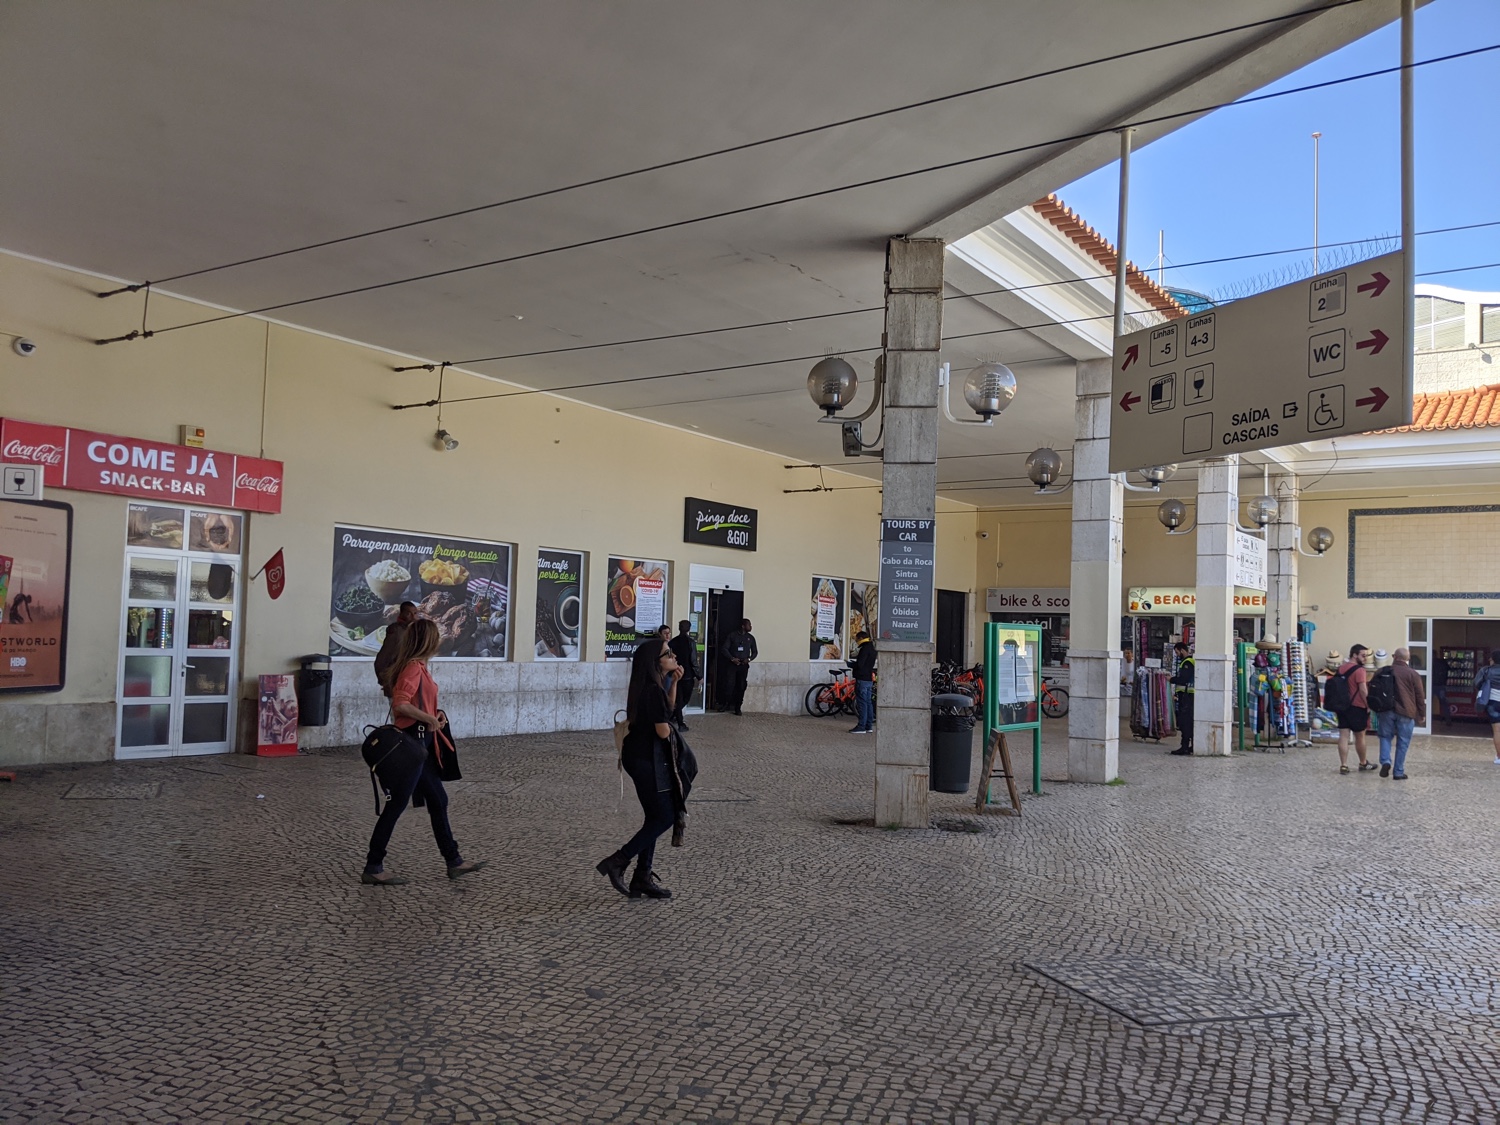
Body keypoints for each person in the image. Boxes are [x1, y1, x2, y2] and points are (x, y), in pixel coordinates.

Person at [361, 618, 486, 886]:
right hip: (412, 746)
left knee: (438, 800)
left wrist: (433, 714)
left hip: (422, 746)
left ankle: (454, 861)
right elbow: (401, 705)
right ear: (428, 640)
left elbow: (414, 704)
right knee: (396, 806)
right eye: (437, 635)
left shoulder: (420, 668)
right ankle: (373, 866)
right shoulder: (413, 669)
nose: (440, 639)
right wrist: (428, 719)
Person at [596, 639, 682, 900]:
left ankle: (642, 877)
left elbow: (668, 709)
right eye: (668, 653)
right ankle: (618, 861)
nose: (673, 655)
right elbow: (663, 728)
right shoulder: (652, 690)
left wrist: (674, 682)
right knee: (665, 816)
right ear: (655, 662)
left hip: (639, 756)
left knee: (654, 817)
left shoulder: (651, 686)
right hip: (646, 759)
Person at [1376, 647, 1425, 780]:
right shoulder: (1412, 674)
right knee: (1403, 742)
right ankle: (1398, 772)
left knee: (1385, 737)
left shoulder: (1382, 671)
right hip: (1406, 711)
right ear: (1408, 659)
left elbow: (1373, 690)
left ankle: (1385, 761)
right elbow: (1420, 696)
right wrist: (1421, 713)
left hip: (1386, 710)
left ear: (1394, 656)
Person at [1335, 643, 1374, 774]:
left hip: (1342, 706)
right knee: (1360, 736)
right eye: (1363, 656)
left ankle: (1344, 765)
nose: (1365, 658)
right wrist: (1368, 705)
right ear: (1354, 655)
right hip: (1357, 707)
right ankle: (1363, 763)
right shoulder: (1360, 670)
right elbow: (1363, 690)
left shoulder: (1340, 669)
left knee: (1343, 736)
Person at [374, 601, 417, 697]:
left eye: (414, 613)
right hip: (395, 684)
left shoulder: (411, 631)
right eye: (408, 614)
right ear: (402, 614)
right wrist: (385, 682)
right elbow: (382, 659)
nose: (413, 617)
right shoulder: (396, 632)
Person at [719, 618, 757, 716]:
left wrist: (748, 659)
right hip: (732, 665)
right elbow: (724, 649)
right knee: (729, 684)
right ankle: (725, 704)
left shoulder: (750, 638)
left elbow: (755, 652)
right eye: (749, 625)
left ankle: (738, 707)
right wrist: (732, 658)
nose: (751, 627)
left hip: (743, 665)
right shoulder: (732, 636)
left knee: (741, 686)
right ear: (743, 626)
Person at [667, 620, 698, 731]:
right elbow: (693, 661)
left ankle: (673, 717)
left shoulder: (673, 642)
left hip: (676, 672)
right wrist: (699, 675)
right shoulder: (691, 642)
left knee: (679, 699)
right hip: (687, 675)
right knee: (683, 699)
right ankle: (679, 722)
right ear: (689, 629)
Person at [848, 630, 877, 734]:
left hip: (862, 679)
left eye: (856, 639)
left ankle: (861, 726)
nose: (856, 641)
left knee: (862, 703)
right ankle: (869, 726)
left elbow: (860, 664)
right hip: (869, 678)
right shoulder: (872, 648)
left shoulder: (864, 649)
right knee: (868, 703)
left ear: (860, 638)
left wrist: (851, 665)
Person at [1170, 641, 1194, 755]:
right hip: (1186, 695)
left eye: (1177, 652)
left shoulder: (1187, 662)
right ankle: (1191, 746)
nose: (1176, 655)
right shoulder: (1189, 661)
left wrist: (1171, 679)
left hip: (1186, 697)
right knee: (1189, 722)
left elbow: (1183, 679)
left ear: (1182, 650)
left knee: (1185, 722)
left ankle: (1184, 747)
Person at [1477, 648, 1500, 766]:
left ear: (1492, 659)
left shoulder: (1486, 670)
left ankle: (1499, 757)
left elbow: (1476, 683)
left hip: (1493, 703)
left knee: (1497, 730)